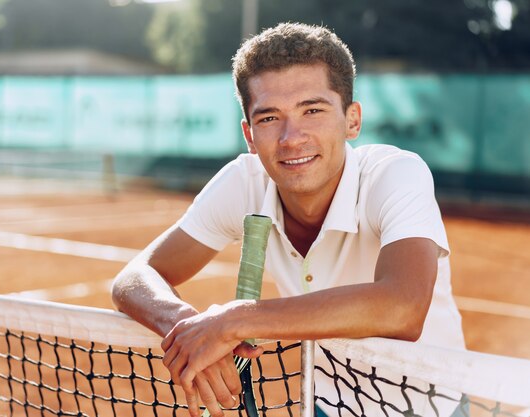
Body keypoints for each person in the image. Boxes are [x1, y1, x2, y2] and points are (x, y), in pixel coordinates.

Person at [112, 22, 465, 417]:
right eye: (269, 118)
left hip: (427, 407)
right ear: (249, 134)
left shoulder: (396, 173)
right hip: (326, 403)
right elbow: (133, 277)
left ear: (352, 119)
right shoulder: (243, 183)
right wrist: (188, 326)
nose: (291, 138)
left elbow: (403, 308)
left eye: (312, 110)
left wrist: (232, 321)